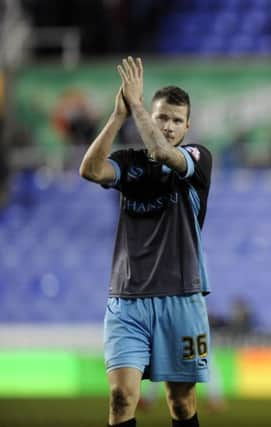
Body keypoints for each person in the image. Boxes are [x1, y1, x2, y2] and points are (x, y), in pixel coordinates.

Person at [79, 57, 212, 427]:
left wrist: (136, 104)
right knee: (121, 398)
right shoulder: (128, 162)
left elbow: (162, 154)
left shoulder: (198, 159)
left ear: (188, 126)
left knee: (181, 403)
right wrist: (119, 115)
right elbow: (89, 170)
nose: (168, 126)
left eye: (176, 120)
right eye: (161, 118)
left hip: (181, 296)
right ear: (150, 120)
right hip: (127, 298)